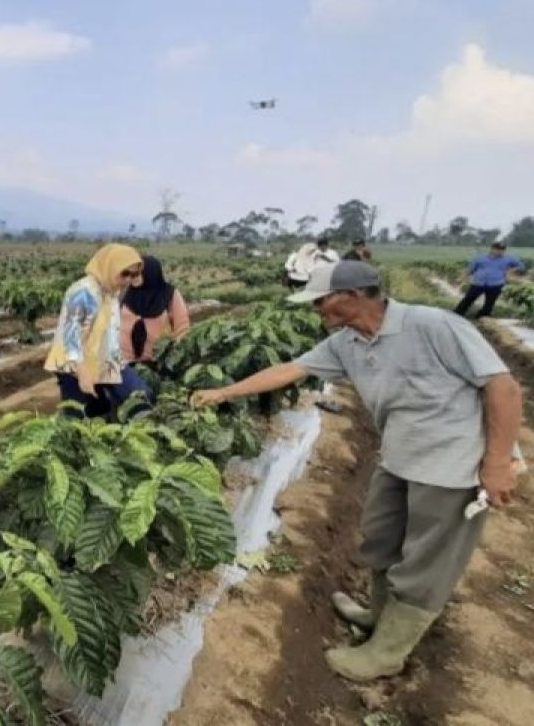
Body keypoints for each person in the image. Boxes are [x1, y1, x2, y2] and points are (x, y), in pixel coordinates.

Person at [192, 260, 522, 683]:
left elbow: (502, 387)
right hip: (401, 457)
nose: (316, 310)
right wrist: (223, 391)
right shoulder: (346, 342)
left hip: (452, 465)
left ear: (353, 295)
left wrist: (496, 463)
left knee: (426, 562)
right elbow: (290, 370)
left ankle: (387, 653)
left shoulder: (434, 324)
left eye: (321, 300)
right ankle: (378, 617)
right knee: (381, 538)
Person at [45, 244, 154, 419]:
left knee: (140, 395)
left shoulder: (110, 291)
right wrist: (82, 374)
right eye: (125, 273)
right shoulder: (84, 292)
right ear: (110, 267)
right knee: (80, 416)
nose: (128, 280)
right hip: (75, 364)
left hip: (105, 360)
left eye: (133, 274)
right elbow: (71, 337)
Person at [120, 255, 190, 364]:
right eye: (129, 274)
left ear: (150, 272)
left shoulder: (169, 294)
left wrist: (174, 357)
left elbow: (182, 327)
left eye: (136, 274)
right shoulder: (127, 293)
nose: (132, 277)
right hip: (124, 361)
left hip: (156, 361)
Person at [454, 241, 526, 319]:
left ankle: (481, 318)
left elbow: (521, 265)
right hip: (478, 283)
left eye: (502, 249)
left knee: (489, 304)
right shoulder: (480, 258)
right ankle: (456, 314)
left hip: (495, 284)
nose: (500, 251)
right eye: (497, 249)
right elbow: (470, 269)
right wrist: (461, 278)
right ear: (492, 249)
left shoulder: (508, 259)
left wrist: (511, 270)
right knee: (467, 300)